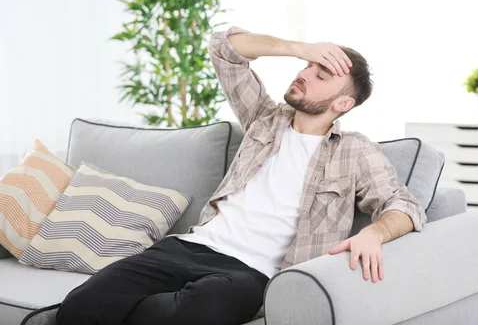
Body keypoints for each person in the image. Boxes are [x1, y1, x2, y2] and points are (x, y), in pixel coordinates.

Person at [56, 26, 427, 325]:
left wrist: (374, 234)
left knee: (197, 312)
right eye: (306, 66)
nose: (303, 74)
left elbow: (403, 205)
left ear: (343, 104)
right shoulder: (264, 118)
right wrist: (300, 47)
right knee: (79, 306)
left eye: (321, 74)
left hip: (252, 274)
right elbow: (225, 48)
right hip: (188, 247)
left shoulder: (355, 151)